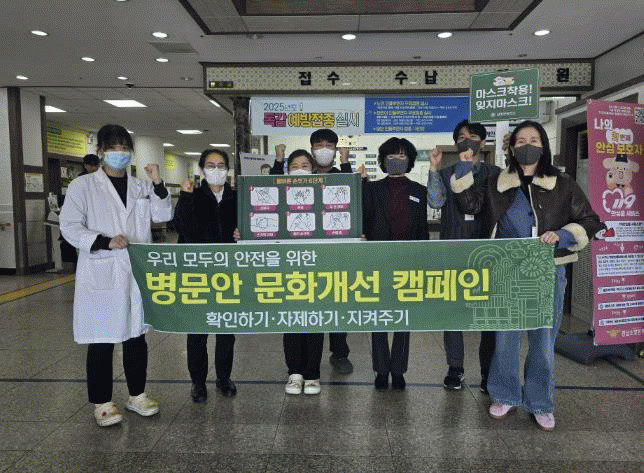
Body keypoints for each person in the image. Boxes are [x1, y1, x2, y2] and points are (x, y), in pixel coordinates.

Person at [453, 120, 602, 431]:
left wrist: (562, 235)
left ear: (544, 145)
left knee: (543, 339)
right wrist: (464, 168)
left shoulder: (562, 183)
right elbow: (470, 204)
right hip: (507, 269)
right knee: (506, 337)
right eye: (520, 141)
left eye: (534, 140)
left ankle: (540, 402)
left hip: (548, 269)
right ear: (511, 148)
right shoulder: (497, 182)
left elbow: (590, 220)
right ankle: (505, 395)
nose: (527, 146)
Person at [59, 124, 172, 427]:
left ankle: (137, 395)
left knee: (136, 337)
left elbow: (163, 215)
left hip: (136, 271)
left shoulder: (140, 186)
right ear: (100, 152)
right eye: (113, 148)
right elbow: (69, 226)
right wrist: (102, 241)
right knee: (102, 339)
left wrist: (158, 183)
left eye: (124, 148)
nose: (119, 153)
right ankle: (102, 402)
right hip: (102, 268)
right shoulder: (83, 186)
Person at [271, 129, 354, 374]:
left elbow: (353, 197)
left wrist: (345, 162)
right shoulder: (303, 177)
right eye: (319, 145)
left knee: (336, 303)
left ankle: (339, 353)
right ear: (311, 149)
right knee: (305, 306)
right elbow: (274, 188)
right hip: (302, 254)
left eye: (329, 145)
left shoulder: (341, 175)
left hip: (334, 253)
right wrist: (278, 161)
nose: (324, 150)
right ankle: (301, 363)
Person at [427, 119, 500, 393]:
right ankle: (455, 368)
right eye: (460, 137)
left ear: (483, 142)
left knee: (488, 315)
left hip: (488, 252)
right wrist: (433, 169)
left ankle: (488, 372)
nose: (465, 141)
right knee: (453, 313)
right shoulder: (446, 173)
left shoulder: (495, 173)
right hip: (453, 250)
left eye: (471, 137)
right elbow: (435, 202)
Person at [362, 137, 428, 390]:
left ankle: (398, 370)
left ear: (409, 160)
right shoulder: (372, 189)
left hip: (407, 262)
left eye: (402, 156)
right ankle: (381, 369)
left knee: (403, 317)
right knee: (378, 316)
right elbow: (364, 219)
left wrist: (422, 261)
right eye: (391, 156)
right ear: (383, 160)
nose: (396, 161)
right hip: (377, 261)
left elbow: (422, 229)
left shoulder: (419, 191)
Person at [173, 149, 238, 402]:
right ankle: (198, 382)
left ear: (228, 170)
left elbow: (251, 228)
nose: (216, 169)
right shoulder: (194, 196)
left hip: (228, 273)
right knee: (197, 331)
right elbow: (181, 227)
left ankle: (224, 378)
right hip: (198, 274)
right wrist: (185, 196)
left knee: (226, 330)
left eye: (221, 165)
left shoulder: (237, 197)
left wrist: (241, 234)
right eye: (210, 165)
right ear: (202, 169)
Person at [278, 149, 324, 395]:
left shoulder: (323, 193)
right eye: (294, 166)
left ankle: (313, 374)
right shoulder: (280, 196)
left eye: (305, 165)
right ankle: (295, 373)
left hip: (318, 266)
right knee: (292, 319)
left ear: (313, 168)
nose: (300, 170)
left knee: (315, 320)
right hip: (289, 266)